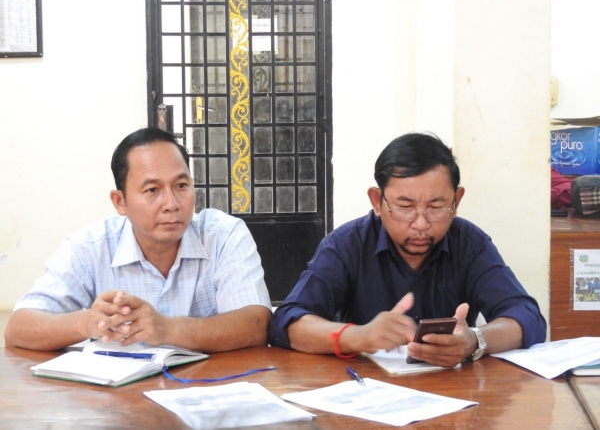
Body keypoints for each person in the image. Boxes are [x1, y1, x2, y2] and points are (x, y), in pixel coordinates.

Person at [269, 133, 546, 367]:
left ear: (456, 201)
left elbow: (527, 317)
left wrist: (473, 340)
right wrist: (357, 336)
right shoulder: (347, 245)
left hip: (453, 392)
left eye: (437, 207)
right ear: (377, 201)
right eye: (405, 207)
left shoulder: (470, 244)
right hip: (367, 391)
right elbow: (287, 323)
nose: (421, 224)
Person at [5, 128, 272, 352]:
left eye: (181, 186)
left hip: (207, 385)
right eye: (152, 190)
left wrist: (167, 329)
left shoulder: (223, 235)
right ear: (120, 201)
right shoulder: (90, 246)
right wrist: (86, 323)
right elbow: (18, 328)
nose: (171, 204)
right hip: (120, 393)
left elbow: (256, 325)